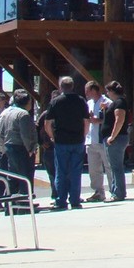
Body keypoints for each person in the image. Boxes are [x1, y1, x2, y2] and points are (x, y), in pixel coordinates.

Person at [44, 77, 89, 210]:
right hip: (77, 140)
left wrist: (53, 137)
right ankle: (75, 200)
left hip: (61, 141)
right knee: (76, 171)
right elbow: (86, 121)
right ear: (72, 86)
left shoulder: (55, 101)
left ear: (60, 87)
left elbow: (47, 124)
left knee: (61, 171)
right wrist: (83, 135)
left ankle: (61, 200)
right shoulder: (81, 101)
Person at [0, 89, 37, 197]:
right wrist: (30, 149)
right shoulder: (23, 114)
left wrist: (2, 147)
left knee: (12, 178)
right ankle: (24, 205)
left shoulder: (5, 112)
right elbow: (25, 135)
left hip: (9, 148)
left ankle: (10, 206)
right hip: (21, 148)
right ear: (27, 102)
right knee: (25, 178)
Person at [83, 81, 111, 203]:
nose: (86, 93)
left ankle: (113, 190)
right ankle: (98, 192)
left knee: (108, 166)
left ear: (94, 90)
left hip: (103, 139)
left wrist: (97, 121)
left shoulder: (107, 102)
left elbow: (110, 120)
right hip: (90, 139)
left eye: (87, 91)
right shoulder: (88, 104)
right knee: (94, 169)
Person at [101, 81, 130, 202]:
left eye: (108, 91)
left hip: (116, 139)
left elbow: (119, 119)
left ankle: (118, 193)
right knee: (113, 166)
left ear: (112, 91)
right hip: (115, 138)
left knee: (116, 166)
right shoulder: (115, 103)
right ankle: (115, 191)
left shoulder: (119, 102)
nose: (107, 94)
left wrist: (112, 136)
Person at [36, 92, 58, 205]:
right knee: (52, 174)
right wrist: (40, 142)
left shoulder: (63, 113)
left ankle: (65, 194)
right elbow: (36, 128)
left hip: (61, 146)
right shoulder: (45, 114)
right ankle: (55, 195)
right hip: (49, 148)